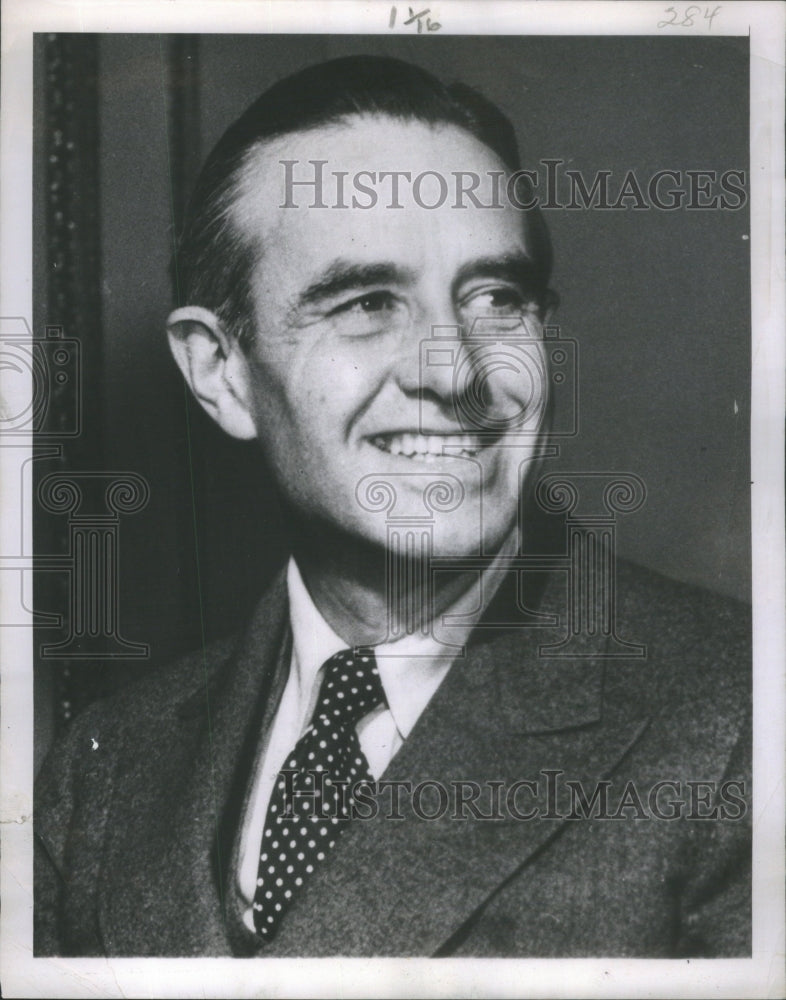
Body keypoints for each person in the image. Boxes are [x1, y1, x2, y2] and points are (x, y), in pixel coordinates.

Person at [34, 55, 750, 958]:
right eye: (368, 303)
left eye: (498, 298)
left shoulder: (745, 725)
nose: (454, 370)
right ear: (220, 372)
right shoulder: (103, 776)